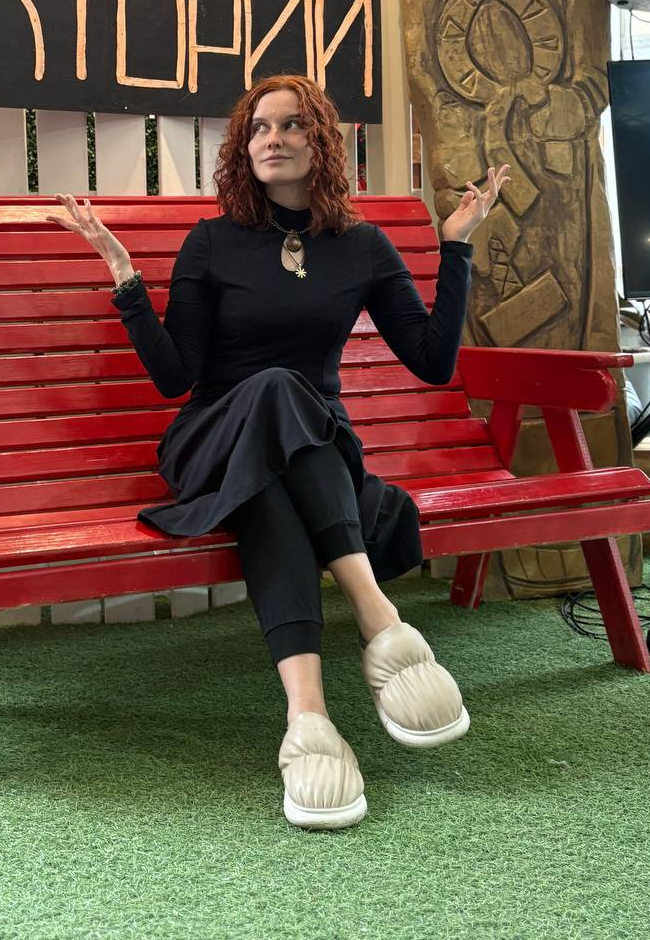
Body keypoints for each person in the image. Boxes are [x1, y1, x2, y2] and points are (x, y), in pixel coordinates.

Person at [51, 74, 510, 831]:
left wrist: (455, 246)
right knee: (273, 388)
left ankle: (309, 721)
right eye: (259, 127)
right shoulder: (212, 242)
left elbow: (432, 362)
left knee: (271, 491)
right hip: (210, 438)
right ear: (243, 146)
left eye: (292, 124)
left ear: (320, 141)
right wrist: (126, 278)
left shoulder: (361, 246)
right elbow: (175, 379)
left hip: (309, 455)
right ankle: (380, 622)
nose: (273, 138)